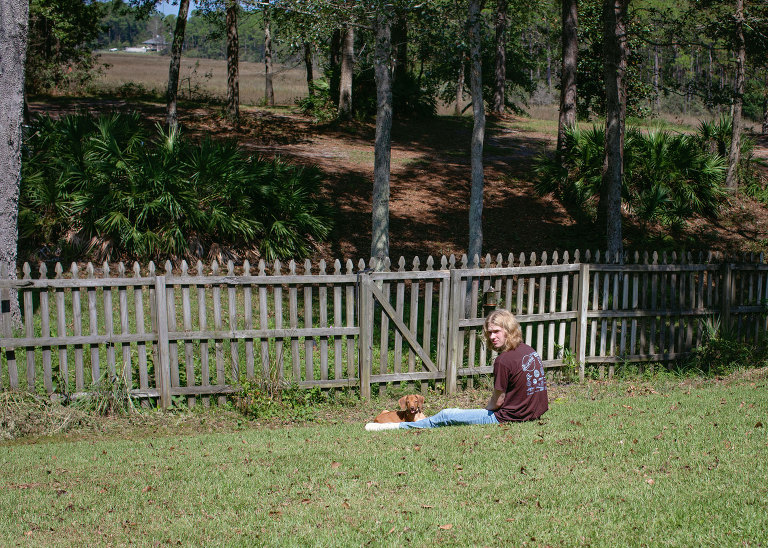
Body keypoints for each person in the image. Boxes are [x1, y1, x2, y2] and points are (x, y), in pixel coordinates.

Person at [365, 309, 548, 431]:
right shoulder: (529, 351)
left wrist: (485, 413)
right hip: (533, 413)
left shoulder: (503, 360)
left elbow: (498, 401)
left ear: (509, 330)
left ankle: (395, 426)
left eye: (497, 331)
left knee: (447, 414)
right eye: (489, 332)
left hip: (509, 417)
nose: (492, 336)